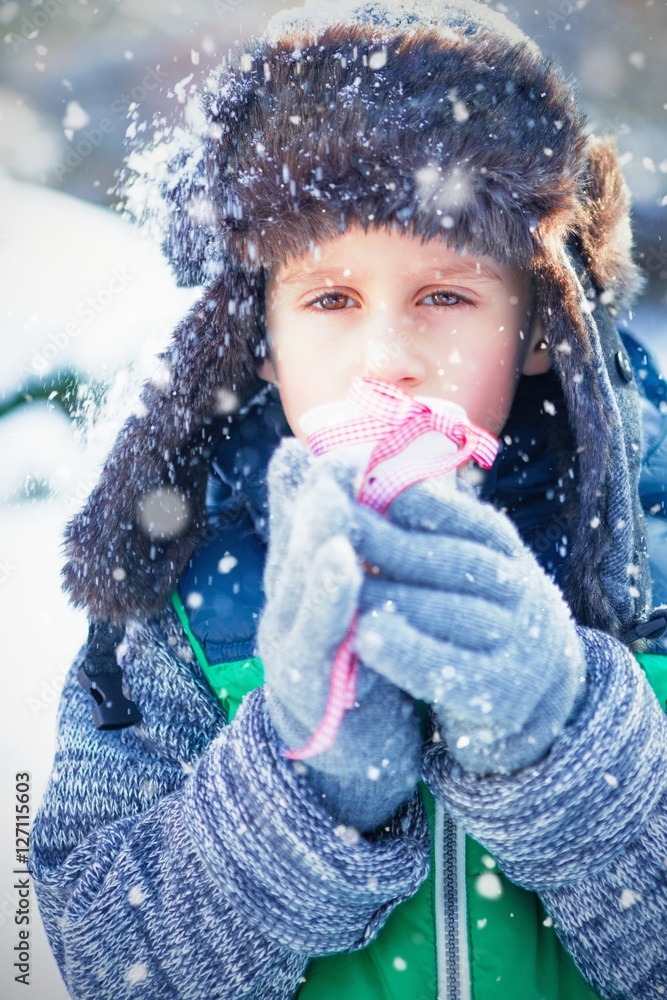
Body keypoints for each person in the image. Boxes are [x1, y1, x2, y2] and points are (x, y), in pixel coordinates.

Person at [30, 1, 667, 997]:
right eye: (330, 299)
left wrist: (568, 744)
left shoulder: (653, 556)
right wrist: (300, 788)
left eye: (444, 296)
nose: (385, 361)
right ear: (261, 336)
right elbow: (101, 959)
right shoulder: (184, 592)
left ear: (540, 324)